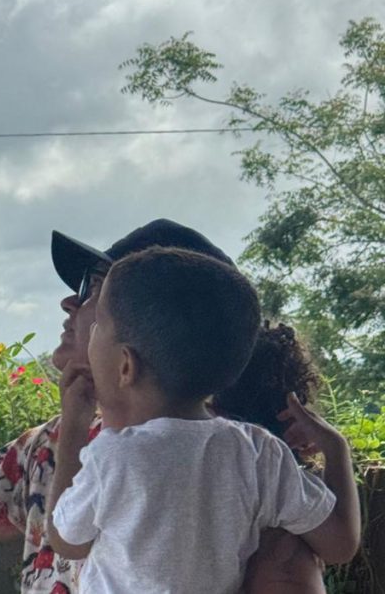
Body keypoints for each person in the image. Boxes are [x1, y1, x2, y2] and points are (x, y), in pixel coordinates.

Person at [0, 219, 351, 593]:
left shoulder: (250, 498)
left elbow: (66, 538)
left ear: (135, 353)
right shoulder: (52, 447)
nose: (69, 303)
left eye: (95, 292)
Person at [44, 246, 360, 592]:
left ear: (125, 365)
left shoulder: (113, 458)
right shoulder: (259, 453)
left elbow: (66, 540)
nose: (90, 334)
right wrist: (336, 450)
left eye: (98, 327)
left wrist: (73, 428)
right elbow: (339, 544)